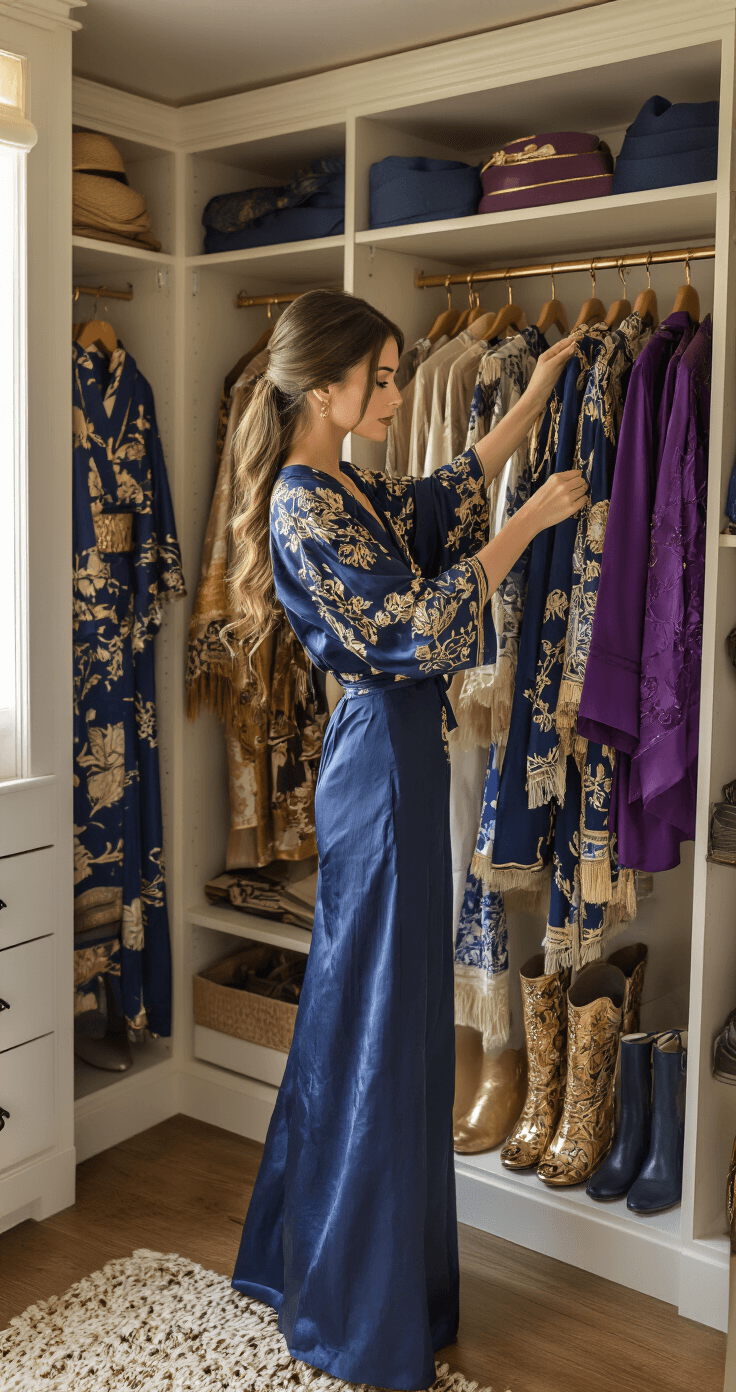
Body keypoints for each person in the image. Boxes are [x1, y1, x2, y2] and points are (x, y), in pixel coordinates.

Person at [227, 288, 583, 1391]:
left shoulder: (340, 482)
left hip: (398, 764)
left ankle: (353, 1277)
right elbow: (407, 626)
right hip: (376, 768)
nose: (394, 394)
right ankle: (353, 1312)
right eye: (379, 380)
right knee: (376, 1022)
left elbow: (440, 496)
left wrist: (525, 404)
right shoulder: (299, 505)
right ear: (323, 389)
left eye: (393, 378)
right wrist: (526, 527)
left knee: (390, 1019)